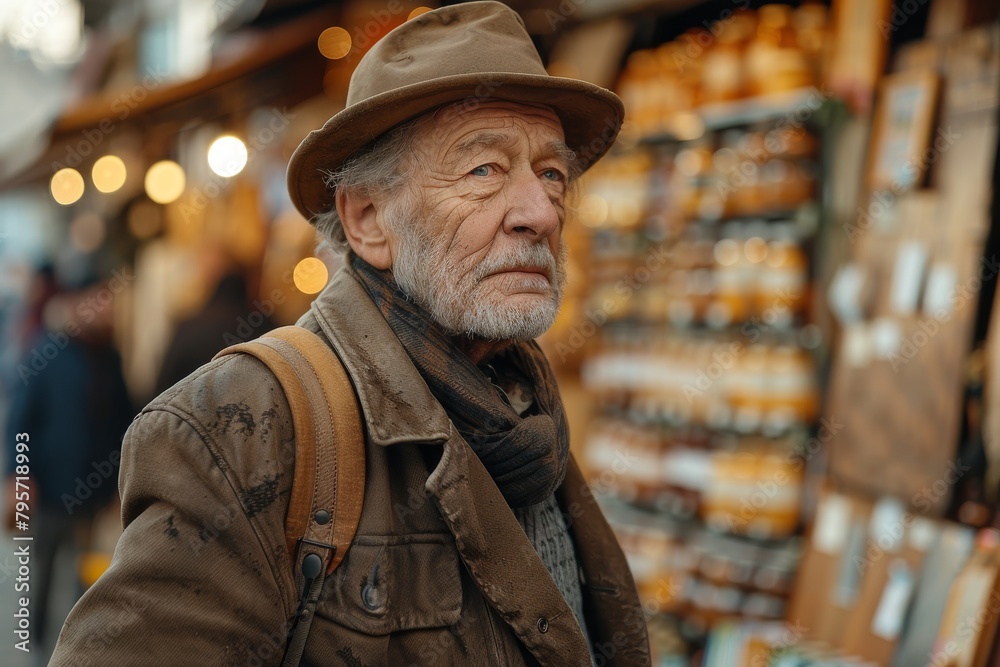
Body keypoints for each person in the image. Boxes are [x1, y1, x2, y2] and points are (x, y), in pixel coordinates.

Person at [50, 3, 650, 665]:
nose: (539, 212)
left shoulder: (527, 423)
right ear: (366, 219)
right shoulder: (240, 428)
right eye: (484, 170)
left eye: (552, 173)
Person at [5, 278, 134, 660]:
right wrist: (20, 475)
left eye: (107, 301)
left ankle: (76, 652)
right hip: (48, 490)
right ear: (75, 305)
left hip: (94, 496)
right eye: (95, 300)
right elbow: (19, 423)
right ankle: (33, 647)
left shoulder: (110, 358)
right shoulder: (47, 352)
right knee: (41, 574)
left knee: (88, 577)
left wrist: (120, 482)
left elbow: (124, 423)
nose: (104, 308)